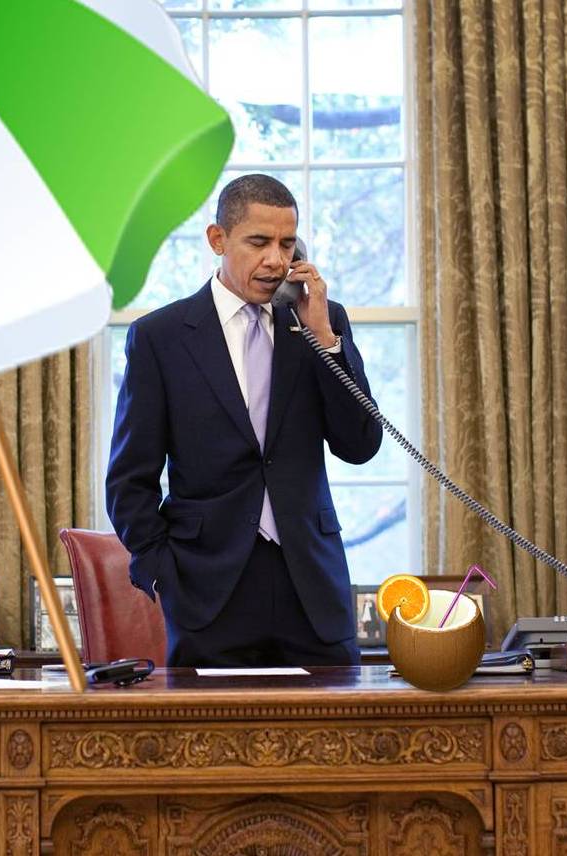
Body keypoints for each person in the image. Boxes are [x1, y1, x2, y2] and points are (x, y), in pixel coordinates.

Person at [106, 174, 383, 667]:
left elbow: (360, 444)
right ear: (218, 239)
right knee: (211, 721)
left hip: (312, 587)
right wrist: (161, 572)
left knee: (337, 717)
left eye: (287, 244)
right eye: (259, 242)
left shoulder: (320, 319)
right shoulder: (160, 337)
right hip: (207, 591)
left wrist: (324, 339)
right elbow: (129, 480)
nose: (275, 260)